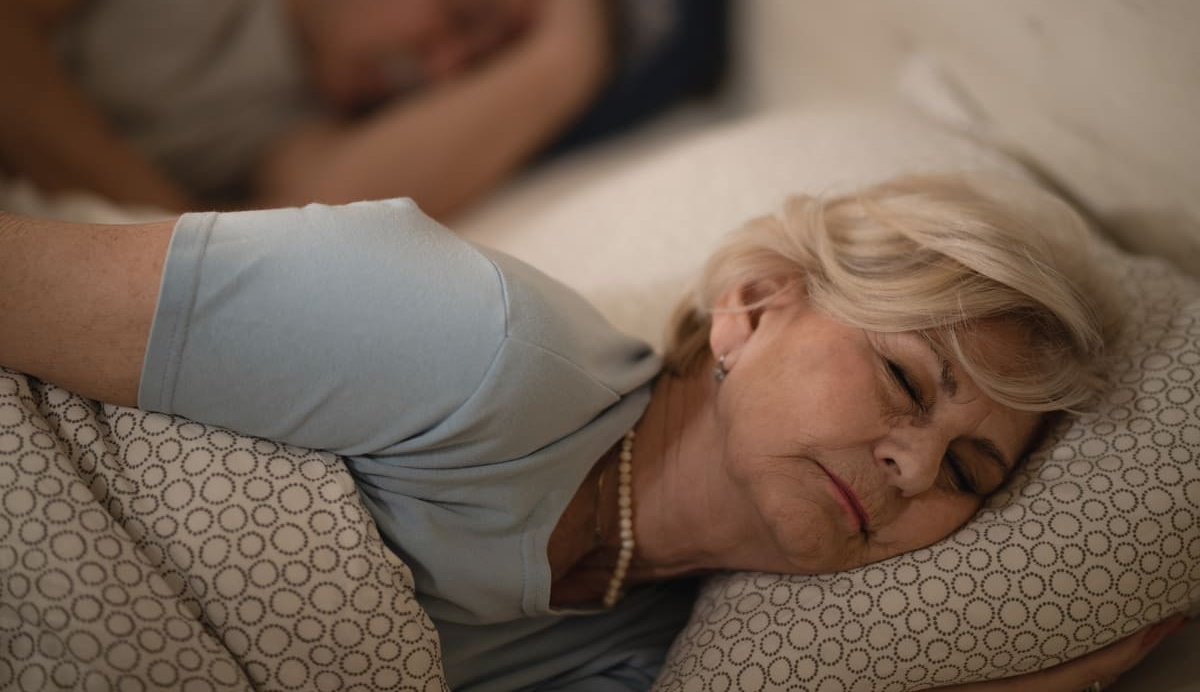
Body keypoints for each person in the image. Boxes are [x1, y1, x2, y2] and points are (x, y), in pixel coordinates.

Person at [0, 175, 1184, 690]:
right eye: (905, 379)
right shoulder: (469, 341)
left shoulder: (643, 652)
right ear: (752, 306)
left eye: (970, 468)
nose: (916, 464)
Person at [0, 0, 609, 218]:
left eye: (476, 68)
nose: (443, 74)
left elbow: (307, 221)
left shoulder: (307, 111)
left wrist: (562, 63)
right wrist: (169, 227)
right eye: (465, 13)